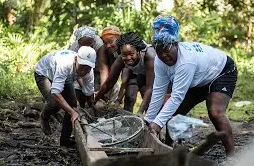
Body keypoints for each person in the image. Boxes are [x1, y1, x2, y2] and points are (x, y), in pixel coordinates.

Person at [144, 15, 238, 156]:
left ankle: (232, 155)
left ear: (175, 45)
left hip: (222, 71)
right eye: (159, 51)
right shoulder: (159, 61)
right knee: (173, 113)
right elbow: (158, 90)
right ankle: (169, 147)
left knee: (215, 112)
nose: (164, 55)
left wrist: (157, 125)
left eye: (166, 50)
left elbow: (176, 96)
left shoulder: (186, 62)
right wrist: (149, 120)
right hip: (199, 78)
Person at [34, 47, 96, 147]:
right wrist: (72, 112)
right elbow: (55, 93)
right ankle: (44, 117)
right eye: (82, 66)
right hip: (44, 72)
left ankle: (64, 142)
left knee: (74, 106)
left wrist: (92, 107)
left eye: (88, 68)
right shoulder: (65, 64)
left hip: (66, 76)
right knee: (54, 103)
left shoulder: (89, 72)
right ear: (76, 60)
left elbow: (88, 92)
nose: (84, 71)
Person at [95, 32, 156, 116]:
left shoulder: (149, 55)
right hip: (142, 74)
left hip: (163, 76)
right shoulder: (121, 58)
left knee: (152, 103)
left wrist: (140, 111)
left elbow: (150, 87)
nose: (128, 58)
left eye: (131, 54)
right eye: (124, 55)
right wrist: (96, 99)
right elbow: (109, 82)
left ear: (138, 51)